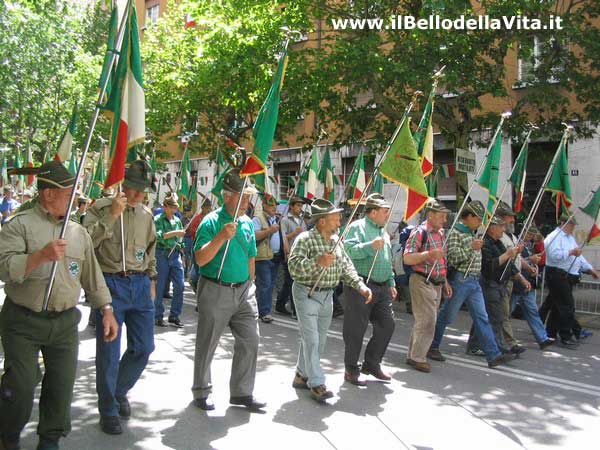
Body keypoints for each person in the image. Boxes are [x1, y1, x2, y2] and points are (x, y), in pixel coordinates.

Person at [0, 161, 118, 450]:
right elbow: (3, 267)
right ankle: (8, 434)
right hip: (23, 320)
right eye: (68, 192)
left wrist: (107, 310)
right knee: (21, 386)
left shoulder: (78, 233)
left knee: (61, 386)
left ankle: (50, 439)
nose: (75, 196)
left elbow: (92, 274)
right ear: (48, 194)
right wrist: (39, 257)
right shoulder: (19, 225)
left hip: (65, 322)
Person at [83, 160, 157, 435]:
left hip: (139, 286)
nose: (138, 196)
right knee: (109, 354)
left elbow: (150, 248)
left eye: (143, 191)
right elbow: (85, 243)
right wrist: (112, 215)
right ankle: (108, 410)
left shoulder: (146, 215)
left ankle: (118, 389)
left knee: (144, 347)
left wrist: (151, 279)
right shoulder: (101, 209)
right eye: (135, 190)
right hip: (111, 284)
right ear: (123, 185)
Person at [192, 169, 265, 411]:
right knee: (208, 342)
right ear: (227, 196)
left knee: (250, 340)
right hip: (216, 289)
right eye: (242, 196)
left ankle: (242, 393)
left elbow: (251, 257)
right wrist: (221, 238)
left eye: (248, 197)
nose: (247, 202)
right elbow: (200, 259)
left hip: (244, 291)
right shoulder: (211, 222)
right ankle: (202, 391)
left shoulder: (246, 223)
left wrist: (250, 284)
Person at [288, 198, 372, 402]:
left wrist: (360, 285)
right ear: (322, 221)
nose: (339, 222)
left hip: (327, 295)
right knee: (312, 340)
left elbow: (346, 266)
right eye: (335, 219)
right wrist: (317, 261)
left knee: (317, 340)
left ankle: (301, 374)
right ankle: (317, 383)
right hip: (306, 293)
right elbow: (294, 267)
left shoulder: (336, 242)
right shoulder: (305, 239)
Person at [429, 201, 515, 369]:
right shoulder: (456, 233)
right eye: (477, 218)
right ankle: (432, 345)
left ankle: (493, 354)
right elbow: (453, 257)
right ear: (467, 217)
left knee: (482, 318)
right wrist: (471, 247)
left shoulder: (473, 233)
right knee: (447, 316)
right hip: (462, 279)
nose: (480, 222)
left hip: (475, 280)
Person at [342, 193, 396, 384]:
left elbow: (387, 258)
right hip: (361, 284)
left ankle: (372, 363)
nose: (387, 215)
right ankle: (351, 368)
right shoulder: (357, 227)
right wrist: (369, 246)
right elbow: (347, 252)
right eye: (384, 211)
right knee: (356, 329)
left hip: (382, 288)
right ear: (373, 212)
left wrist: (391, 281)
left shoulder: (383, 230)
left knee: (387, 325)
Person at [403, 199, 453, 373]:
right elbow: (408, 258)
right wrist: (428, 254)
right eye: (441, 216)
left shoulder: (440, 233)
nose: (444, 220)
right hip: (422, 280)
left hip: (437, 283)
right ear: (430, 215)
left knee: (424, 320)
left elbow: (441, 261)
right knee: (428, 321)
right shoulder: (419, 232)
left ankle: (413, 355)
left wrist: (445, 281)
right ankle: (418, 358)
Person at [467, 215, 524, 354]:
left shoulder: (498, 243)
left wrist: (521, 278)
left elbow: (508, 265)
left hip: (499, 285)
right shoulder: (485, 243)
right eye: (501, 226)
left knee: (483, 317)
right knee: (495, 317)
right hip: (489, 284)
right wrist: (507, 255)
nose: (503, 230)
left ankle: (474, 346)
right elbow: (489, 266)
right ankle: (498, 348)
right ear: (492, 228)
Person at [543, 213, 600, 348]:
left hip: (567, 276)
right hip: (557, 275)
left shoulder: (569, 238)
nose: (573, 228)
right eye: (571, 225)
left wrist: (590, 269)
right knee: (567, 306)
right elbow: (554, 256)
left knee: (558, 306)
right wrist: (571, 252)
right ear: (564, 223)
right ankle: (565, 335)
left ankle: (550, 332)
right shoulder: (554, 237)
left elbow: (579, 257)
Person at [511, 225, 555, 349]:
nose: (530, 237)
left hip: (527, 283)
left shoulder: (530, 245)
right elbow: (515, 260)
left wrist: (534, 268)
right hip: (516, 283)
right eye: (528, 234)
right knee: (505, 313)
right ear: (523, 231)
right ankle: (500, 339)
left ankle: (543, 339)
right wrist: (531, 259)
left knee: (533, 312)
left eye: (532, 235)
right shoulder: (516, 242)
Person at [153, 193, 186, 328]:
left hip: (175, 254)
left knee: (180, 285)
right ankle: (158, 316)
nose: (174, 210)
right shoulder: (157, 220)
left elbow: (180, 240)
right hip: (161, 254)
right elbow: (159, 236)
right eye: (171, 207)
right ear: (165, 207)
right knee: (159, 287)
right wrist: (177, 233)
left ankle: (174, 315)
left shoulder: (177, 220)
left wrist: (182, 253)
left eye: (175, 208)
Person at [253, 193, 283, 323]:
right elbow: (255, 236)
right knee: (264, 284)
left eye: (275, 205)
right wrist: (270, 230)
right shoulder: (257, 219)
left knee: (270, 285)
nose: (274, 207)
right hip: (262, 257)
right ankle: (264, 312)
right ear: (263, 205)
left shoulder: (273, 219)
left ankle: (263, 309)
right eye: (271, 205)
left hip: (274, 256)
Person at [276, 196, 307, 316]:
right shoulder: (285, 220)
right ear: (291, 206)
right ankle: (296, 311)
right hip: (290, 254)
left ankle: (280, 303)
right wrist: (294, 233)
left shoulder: (302, 220)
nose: (300, 208)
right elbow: (283, 237)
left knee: (290, 282)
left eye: (301, 206)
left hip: (301, 255)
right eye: (298, 205)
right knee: (292, 282)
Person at [186, 198, 212, 291]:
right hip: (198, 245)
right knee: (198, 268)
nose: (208, 209)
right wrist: (200, 231)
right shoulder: (198, 218)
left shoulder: (212, 219)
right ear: (202, 208)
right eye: (206, 207)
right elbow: (192, 230)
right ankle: (194, 282)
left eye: (209, 207)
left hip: (209, 245)